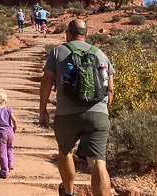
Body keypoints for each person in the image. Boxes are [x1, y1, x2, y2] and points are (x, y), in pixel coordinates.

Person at [39, 19, 115, 196]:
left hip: (66, 115)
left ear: (68, 33)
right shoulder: (101, 54)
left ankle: (68, 192)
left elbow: (46, 81)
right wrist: (103, 112)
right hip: (98, 114)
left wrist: (43, 109)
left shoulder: (58, 51)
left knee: (65, 153)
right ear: (86, 34)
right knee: (98, 163)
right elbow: (110, 89)